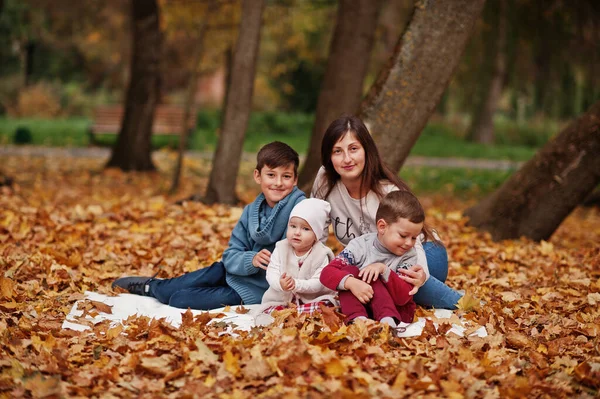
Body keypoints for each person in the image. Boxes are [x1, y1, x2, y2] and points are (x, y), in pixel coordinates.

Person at [112, 141, 306, 310]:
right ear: (258, 176)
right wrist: (251, 259)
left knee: (178, 299)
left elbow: (304, 258)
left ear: (295, 179)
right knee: (171, 290)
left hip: (255, 289)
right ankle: (150, 286)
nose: (278, 183)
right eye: (271, 175)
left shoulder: (302, 211)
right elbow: (230, 255)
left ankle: (166, 287)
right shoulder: (251, 211)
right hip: (230, 272)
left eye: (286, 176)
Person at [311, 115, 462, 309]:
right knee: (363, 281)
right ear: (329, 156)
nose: (347, 159)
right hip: (370, 258)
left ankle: (460, 302)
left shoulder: (387, 191)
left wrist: (421, 274)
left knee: (401, 284)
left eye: (353, 149)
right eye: (337, 151)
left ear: (367, 150)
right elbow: (316, 229)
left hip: (423, 252)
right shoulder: (324, 179)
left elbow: (413, 242)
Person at [320, 191, 425, 329]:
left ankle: (387, 325)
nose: (408, 243)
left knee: (372, 274)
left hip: (396, 312)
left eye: (414, 238)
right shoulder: (360, 246)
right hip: (363, 308)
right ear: (382, 227)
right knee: (348, 271)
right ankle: (358, 321)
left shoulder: (408, 255)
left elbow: (403, 296)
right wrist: (351, 283)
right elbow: (327, 273)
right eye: (403, 235)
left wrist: (383, 270)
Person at [258, 198, 338, 316]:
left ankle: (298, 314)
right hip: (282, 299)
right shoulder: (281, 248)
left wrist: (297, 284)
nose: (297, 232)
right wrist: (280, 283)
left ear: (316, 234)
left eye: (305, 229)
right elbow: (271, 272)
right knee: (269, 311)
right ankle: (287, 314)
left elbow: (319, 282)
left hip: (311, 299)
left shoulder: (321, 254)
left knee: (326, 306)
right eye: (293, 226)